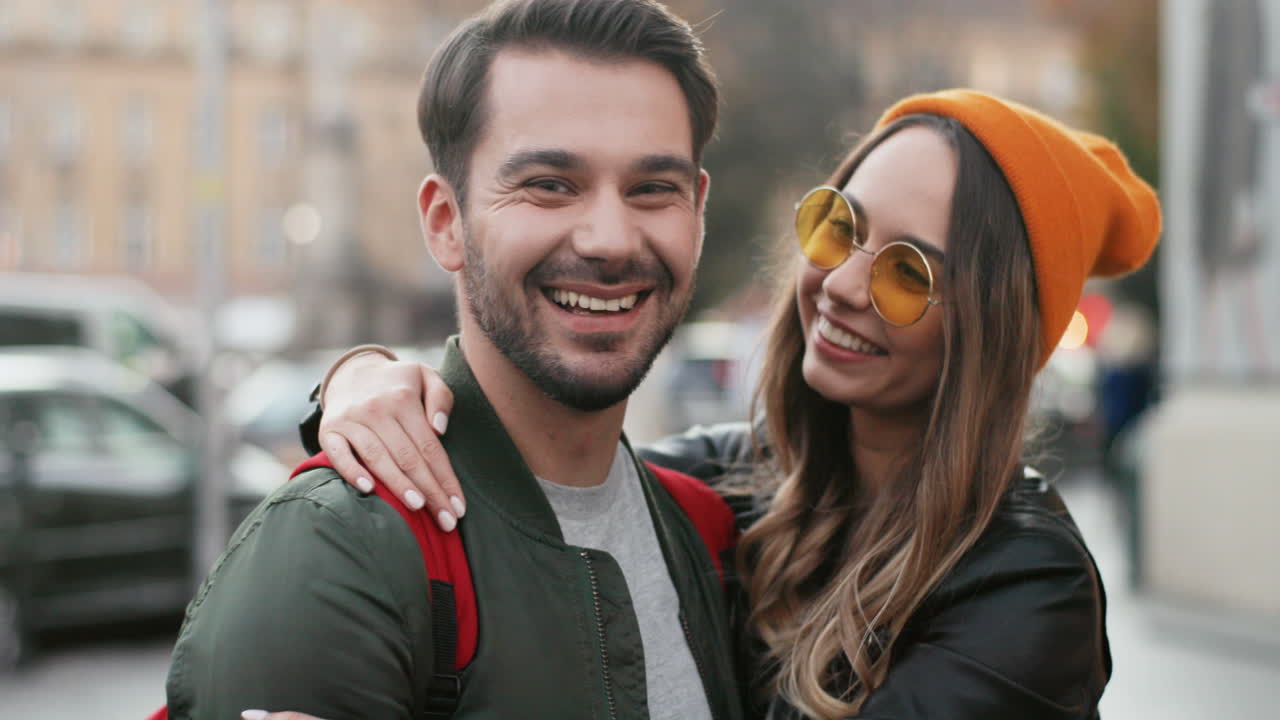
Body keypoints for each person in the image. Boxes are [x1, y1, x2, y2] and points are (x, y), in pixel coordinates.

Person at [308, 89, 1161, 718]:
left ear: (993, 331)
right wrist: (363, 379)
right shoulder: (729, 481)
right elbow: (513, 482)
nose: (845, 285)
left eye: (910, 273)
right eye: (840, 226)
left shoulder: (1026, 583)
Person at [163, 1, 746, 719]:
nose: (610, 240)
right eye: (549, 185)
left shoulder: (708, 530)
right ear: (446, 224)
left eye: (654, 189)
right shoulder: (339, 548)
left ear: (699, 210)